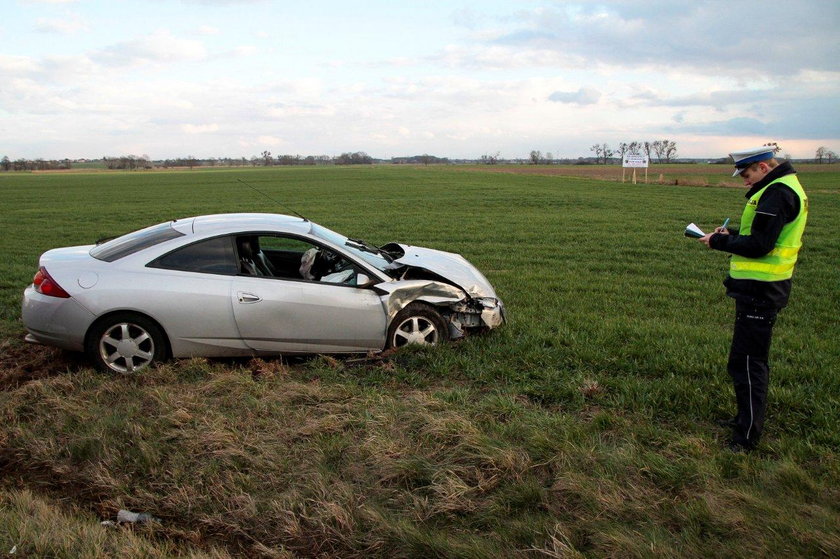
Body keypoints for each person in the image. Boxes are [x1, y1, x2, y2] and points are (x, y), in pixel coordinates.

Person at [698, 145, 808, 452]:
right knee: (743, 360)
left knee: (748, 364)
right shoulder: (778, 188)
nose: (745, 182)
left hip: (762, 290)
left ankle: (746, 438)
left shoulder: (777, 193)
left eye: (747, 175)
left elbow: (760, 245)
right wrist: (731, 233)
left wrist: (720, 241)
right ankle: (743, 421)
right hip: (758, 289)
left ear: (762, 166)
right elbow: (761, 235)